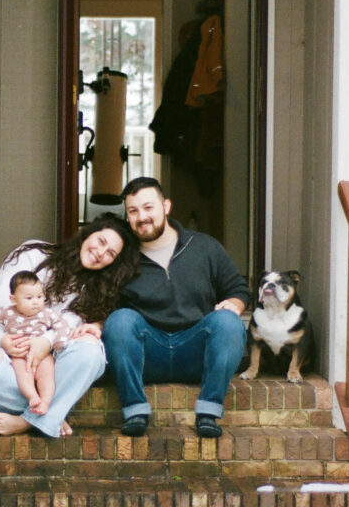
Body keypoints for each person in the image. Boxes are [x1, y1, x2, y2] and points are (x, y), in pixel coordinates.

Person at [0, 216, 139, 438]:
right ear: (87, 233)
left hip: (53, 360)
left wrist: (45, 343)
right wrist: (4, 341)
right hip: (7, 346)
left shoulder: (95, 292)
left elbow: (68, 332)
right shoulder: (32, 255)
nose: (101, 253)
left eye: (111, 253)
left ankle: (29, 420)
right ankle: (52, 413)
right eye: (101, 241)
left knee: (91, 352)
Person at [102, 176, 250, 439]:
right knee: (120, 320)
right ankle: (135, 410)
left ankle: (208, 412)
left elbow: (239, 290)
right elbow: (104, 306)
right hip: (148, 353)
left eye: (148, 207)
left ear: (166, 206)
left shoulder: (203, 247)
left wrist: (235, 305)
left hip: (196, 351)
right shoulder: (122, 257)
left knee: (228, 321)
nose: (142, 217)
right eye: (133, 211)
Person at [0, 271, 74, 415]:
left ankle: (45, 402)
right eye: (29, 298)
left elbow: (61, 324)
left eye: (39, 296)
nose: (36, 302)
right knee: (23, 375)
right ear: (14, 299)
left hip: (42, 354)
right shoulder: (7, 312)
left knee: (47, 375)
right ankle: (32, 396)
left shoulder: (46, 314)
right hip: (19, 354)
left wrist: (59, 342)